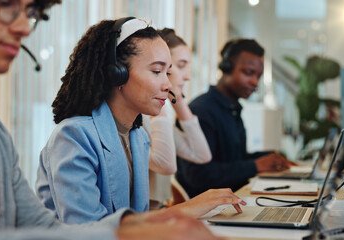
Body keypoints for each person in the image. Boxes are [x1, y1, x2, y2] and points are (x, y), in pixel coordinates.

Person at [0, 1, 223, 239]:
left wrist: (165, 222)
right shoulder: (74, 134)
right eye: (5, 3)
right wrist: (143, 228)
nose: (24, 26)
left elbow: (43, 227)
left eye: (31, 11)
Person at [35, 17, 245, 225]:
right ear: (117, 74)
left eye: (168, 72)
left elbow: (137, 221)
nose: (167, 84)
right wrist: (185, 211)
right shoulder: (73, 137)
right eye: (156, 71)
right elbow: (88, 231)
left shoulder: (138, 137)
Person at [176, 39, 294, 197]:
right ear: (227, 68)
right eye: (248, 73)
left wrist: (268, 158)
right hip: (208, 210)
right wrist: (255, 166)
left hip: (232, 199)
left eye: (258, 76)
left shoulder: (232, 109)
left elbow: (233, 159)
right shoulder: (202, 110)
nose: (254, 82)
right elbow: (198, 175)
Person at [143, 28, 212, 204]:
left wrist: (178, 100)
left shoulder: (159, 120)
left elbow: (201, 155)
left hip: (160, 214)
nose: (188, 76)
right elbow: (166, 165)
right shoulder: (142, 119)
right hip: (147, 219)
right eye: (181, 66)